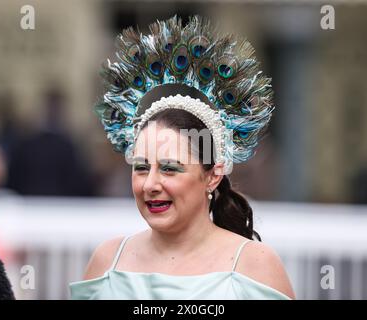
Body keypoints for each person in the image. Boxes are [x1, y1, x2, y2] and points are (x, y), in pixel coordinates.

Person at [70, 15, 295, 300]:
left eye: (169, 169)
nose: (150, 184)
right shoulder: (106, 263)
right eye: (141, 167)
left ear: (212, 175)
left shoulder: (256, 268)